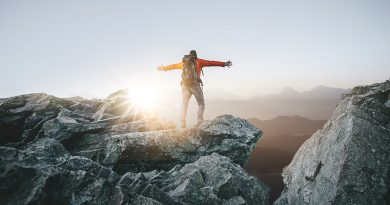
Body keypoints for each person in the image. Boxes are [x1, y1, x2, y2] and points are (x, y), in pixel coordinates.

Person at [157, 50, 232, 128]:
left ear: (188, 56)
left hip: (185, 86)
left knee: (184, 105)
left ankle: (182, 124)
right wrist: (224, 64)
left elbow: (173, 66)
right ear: (196, 55)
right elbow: (210, 63)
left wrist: (163, 68)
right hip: (195, 86)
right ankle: (199, 121)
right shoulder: (199, 61)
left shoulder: (183, 63)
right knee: (201, 104)